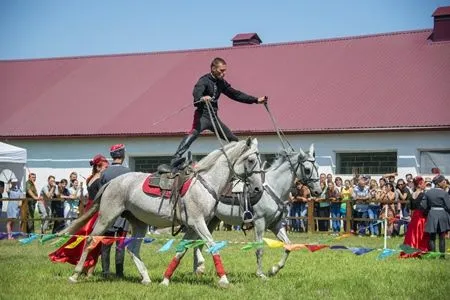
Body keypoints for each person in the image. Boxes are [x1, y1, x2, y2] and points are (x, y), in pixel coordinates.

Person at [170, 57, 268, 168]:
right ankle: (176, 158)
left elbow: (236, 94)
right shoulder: (204, 80)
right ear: (213, 68)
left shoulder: (221, 82)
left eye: (225, 70)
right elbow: (196, 93)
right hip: (203, 116)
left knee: (233, 140)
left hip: (214, 118)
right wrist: (202, 97)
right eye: (221, 71)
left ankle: (237, 163)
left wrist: (255, 100)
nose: (224, 73)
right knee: (194, 133)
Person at [49, 154, 109, 276]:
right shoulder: (100, 180)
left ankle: (85, 268)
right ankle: (89, 272)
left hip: (89, 208)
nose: (107, 169)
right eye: (105, 167)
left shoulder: (89, 178)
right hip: (96, 209)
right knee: (93, 239)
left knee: (86, 237)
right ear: (98, 167)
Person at [100, 144, 131, 278]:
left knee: (105, 244)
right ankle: (119, 273)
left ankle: (105, 272)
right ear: (122, 155)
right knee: (120, 245)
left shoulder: (104, 173)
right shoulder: (128, 172)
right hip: (123, 215)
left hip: (107, 213)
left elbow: (101, 195)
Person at [421, 174, 450, 259]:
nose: (445, 183)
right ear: (439, 183)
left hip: (431, 214)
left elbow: (423, 205)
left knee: (432, 236)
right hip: (442, 214)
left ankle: (433, 255)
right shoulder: (444, 193)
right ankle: (442, 256)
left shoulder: (428, 192)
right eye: (443, 182)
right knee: (442, 236)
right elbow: (449, 206)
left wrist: (428, 212)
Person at [400, 176, 430, 258]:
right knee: (421, 234)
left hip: (414, 217)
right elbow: (425, 207)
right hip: (421, 217)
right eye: (423, 183)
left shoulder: (412, 194)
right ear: (419, 185)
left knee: (412, 234)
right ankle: (421, 251)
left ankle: (410, 251)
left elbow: (411, 208)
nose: (425, 185)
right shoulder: (423, 194)